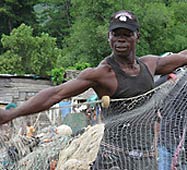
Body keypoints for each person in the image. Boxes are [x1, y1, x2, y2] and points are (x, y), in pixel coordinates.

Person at [0, 9, 187, 169]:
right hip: (114, 159)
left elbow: (182, 56)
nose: (121, 39)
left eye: (127, 34)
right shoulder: (103, 74)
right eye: (116, 34)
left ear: (137, 36)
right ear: (109, 37)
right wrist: (12, 113)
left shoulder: (150, 65)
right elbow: (55, 93)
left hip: (146, 158)